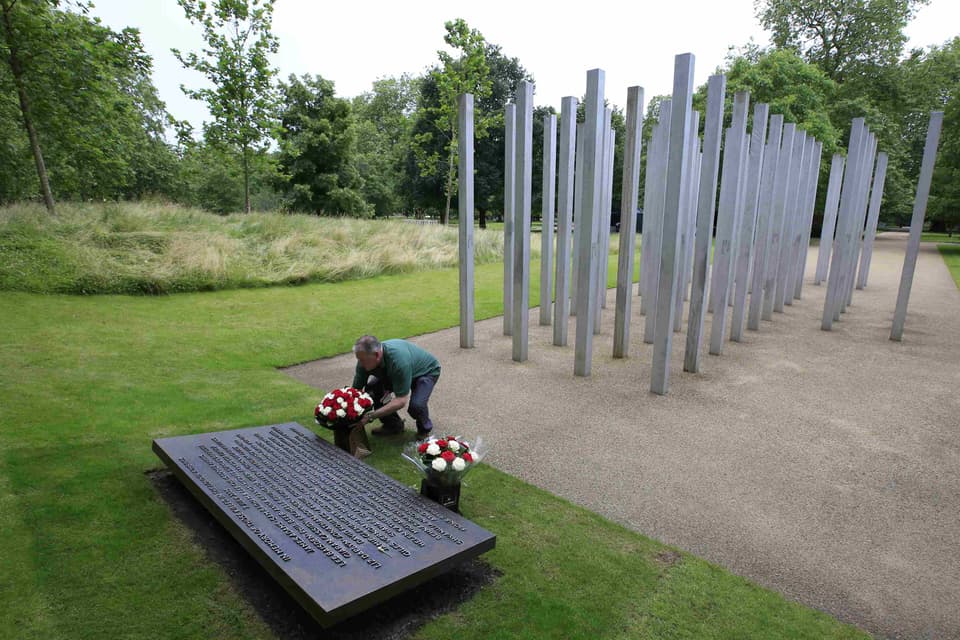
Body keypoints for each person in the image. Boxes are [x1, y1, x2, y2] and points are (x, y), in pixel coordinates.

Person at [350, 335, 440, 437]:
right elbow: (356, 391)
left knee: (417, 406)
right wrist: (348, 411)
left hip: (425, 372)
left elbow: (401, 400)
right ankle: (393, 426)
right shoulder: (364, 359)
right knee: (372, 390)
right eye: (359, 359)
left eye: (363, 360)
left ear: (377, 355)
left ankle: (424, 430)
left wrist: (371, 416)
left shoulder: (398, 362)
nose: (361, 364)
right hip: (395, 372)